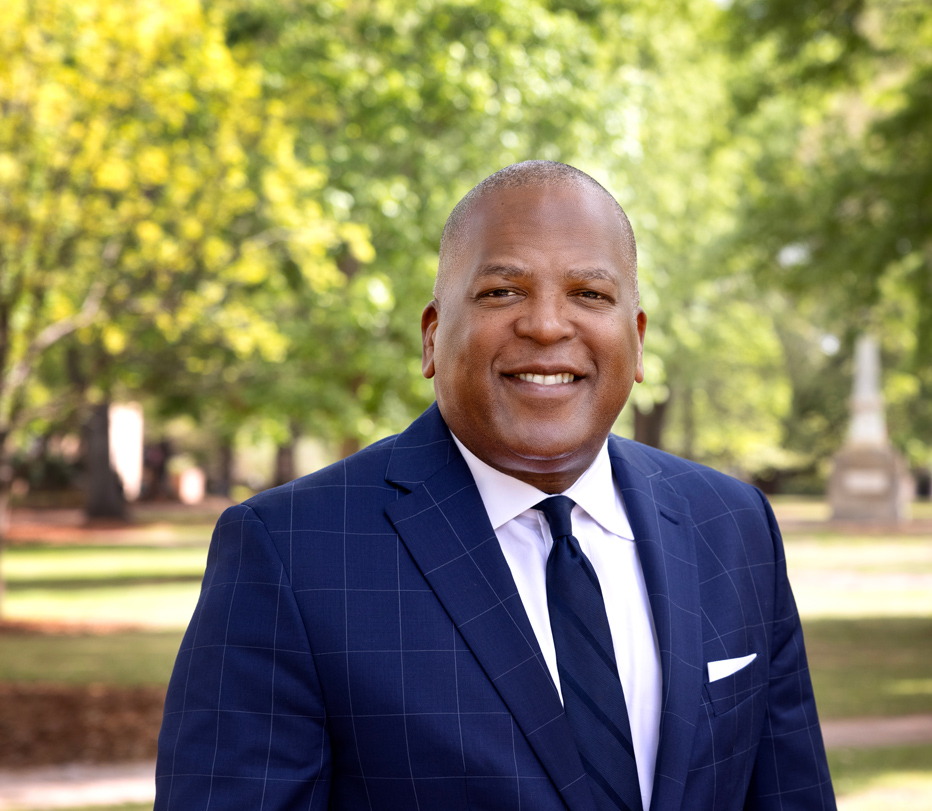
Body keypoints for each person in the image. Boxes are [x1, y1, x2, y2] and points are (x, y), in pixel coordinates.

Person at [154, 161, 836, 811]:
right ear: (431, 336)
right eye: (501, 291)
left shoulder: (734, 527)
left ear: (636, 341)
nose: (545, 324)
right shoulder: (289, 554)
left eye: (589, 294)